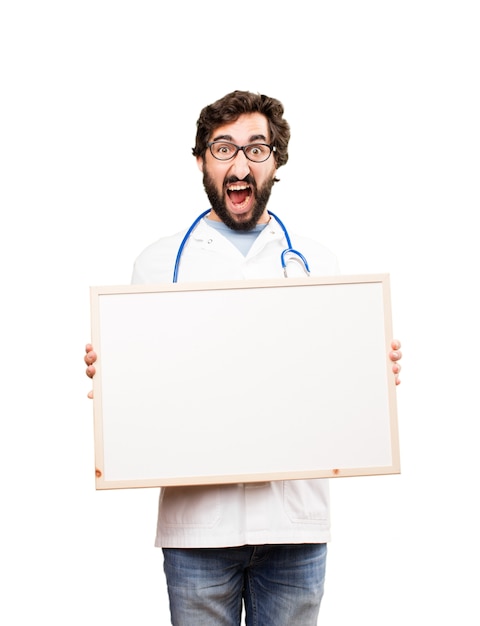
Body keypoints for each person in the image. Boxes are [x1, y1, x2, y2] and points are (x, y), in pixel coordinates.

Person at [85, 90, 402, 626]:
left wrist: (372, 373)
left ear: (276, 160)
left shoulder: (319, 263)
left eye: (257, 148)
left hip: (295, 525)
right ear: (200, 161)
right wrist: (113, 383)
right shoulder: (157, 264)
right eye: (223, 147)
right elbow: (140, 395)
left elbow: (341, 389)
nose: (240, 163)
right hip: (198, 529)